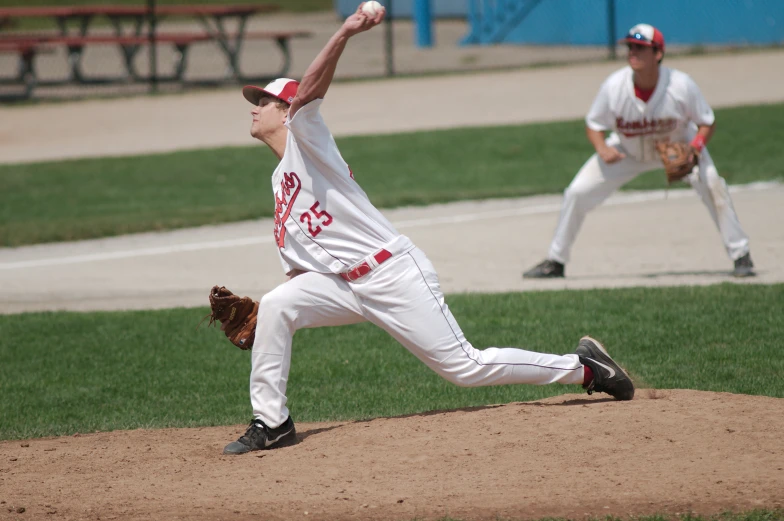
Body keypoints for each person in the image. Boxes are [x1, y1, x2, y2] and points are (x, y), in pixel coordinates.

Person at [222, 2, 635, 456]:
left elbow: (312, 89)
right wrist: (282, 313)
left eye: (264, 101)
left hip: (392, 275)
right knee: (279, 305)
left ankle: (586, 369)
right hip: (344, 284)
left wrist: (345, 31)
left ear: (287, 111)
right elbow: (300, 268)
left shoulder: (307, 140)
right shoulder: (280, 181)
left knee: (464, 368)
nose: (254, 109)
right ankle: (273, 422)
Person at [523, 23, 755, 280]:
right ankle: (556, 261)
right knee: (577, 192)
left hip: (678, 148)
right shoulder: (614, 86)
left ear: (658, 54)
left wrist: (694, 148)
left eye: (640, 48)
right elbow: (594, 124)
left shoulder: (680, 85)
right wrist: (602, 149)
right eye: (630, 46)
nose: (632, 52)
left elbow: (706, 122)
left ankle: (741, 254)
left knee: (712, 184)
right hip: (627, 151)